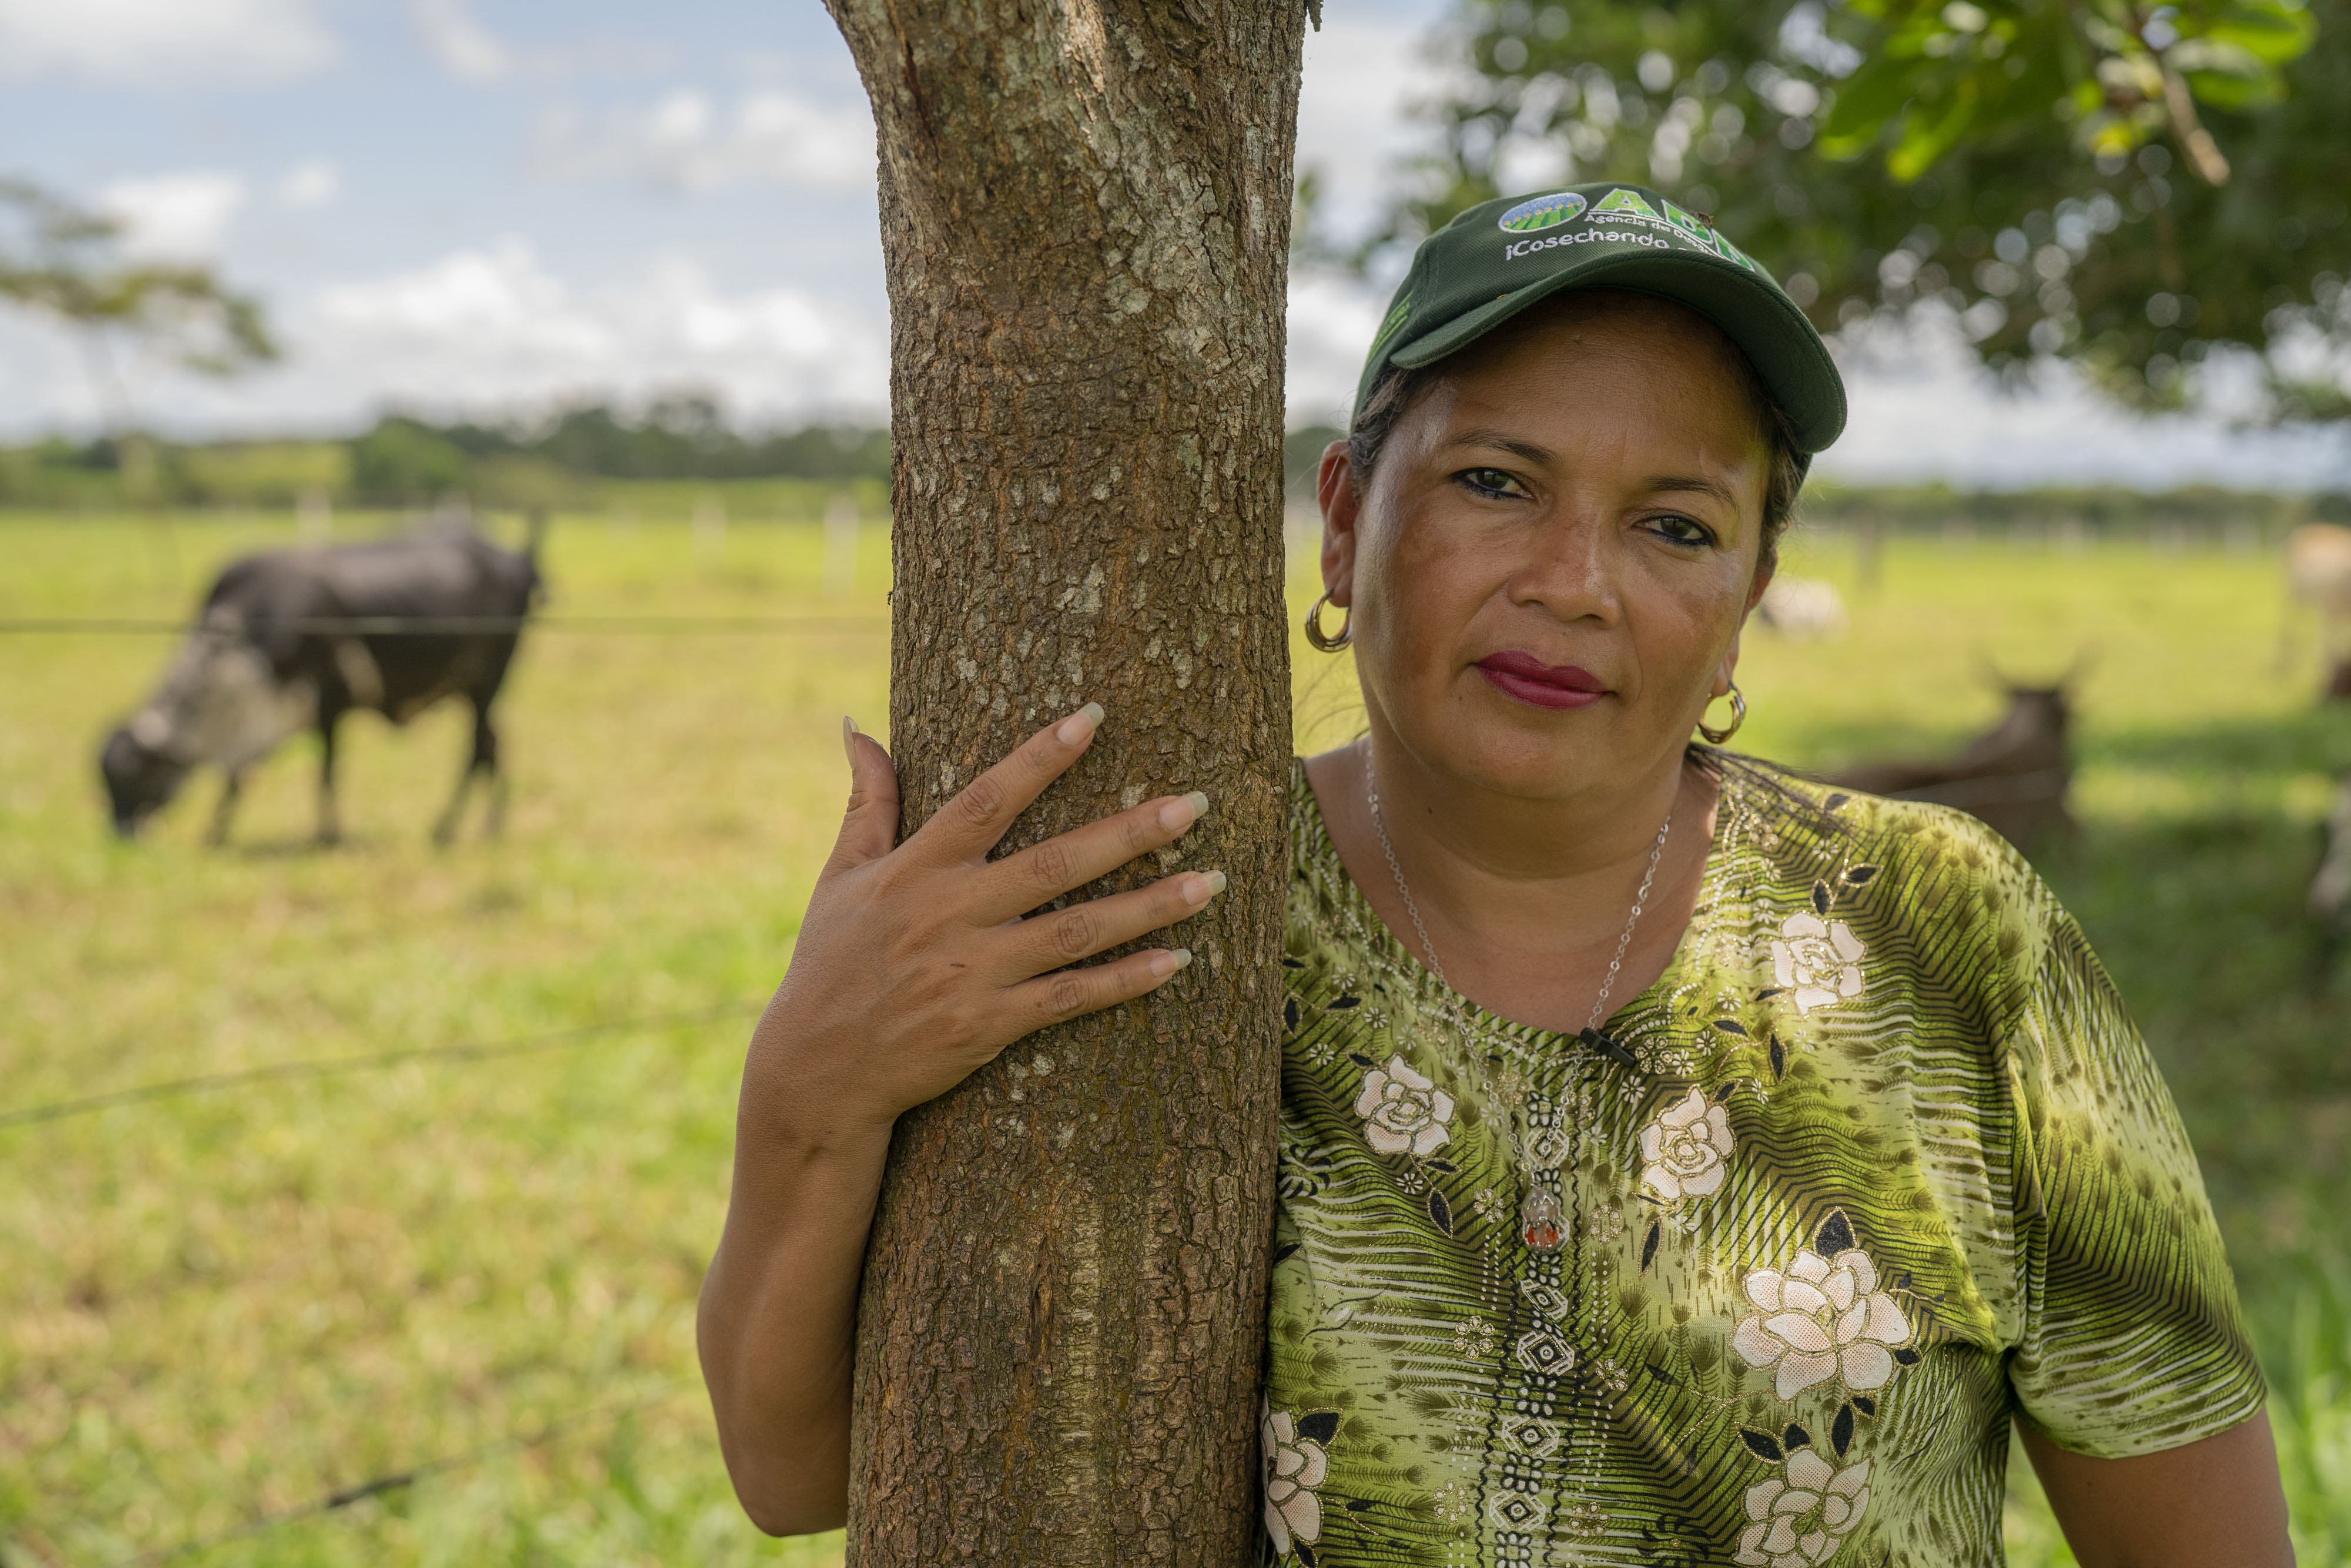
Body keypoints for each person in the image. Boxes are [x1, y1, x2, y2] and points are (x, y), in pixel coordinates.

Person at [697, 182, 2292, 1566]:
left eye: (1674, 526)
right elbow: (794, 1471)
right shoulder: (1171, 905)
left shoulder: (1946, 935)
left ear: (1748, 597)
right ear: (1343, 523)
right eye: (1494, 483)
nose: (1572, 584)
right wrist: (812, 1082)